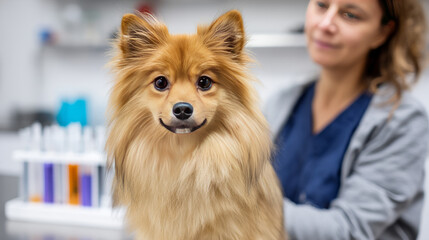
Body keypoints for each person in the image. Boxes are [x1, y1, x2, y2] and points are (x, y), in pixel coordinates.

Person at [264, 0, 429, 239]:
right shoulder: (280, 102)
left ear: (382, 33)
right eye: (321, 5)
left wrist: (241, 207)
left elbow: (350, 230)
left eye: (350, 15)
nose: (326, 24)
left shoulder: (402, 120)